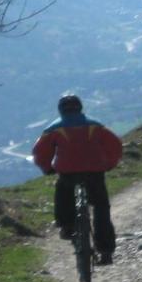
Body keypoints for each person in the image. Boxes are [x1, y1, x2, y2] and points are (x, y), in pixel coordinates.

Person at [32, 93, 123, 264]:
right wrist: (110, 164)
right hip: (95, 172)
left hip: (68, 173)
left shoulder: (53, 128)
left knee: (63, 195)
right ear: (80, 108)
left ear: (61, 110)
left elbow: (40, 152)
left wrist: (47, 168)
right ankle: (106, 251)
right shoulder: (96, 125)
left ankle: (66, 227)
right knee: (101, 208)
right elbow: (115, 145)